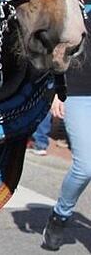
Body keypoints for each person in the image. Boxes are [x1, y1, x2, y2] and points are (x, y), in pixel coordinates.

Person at [41, 30, 91, 251]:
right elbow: (58, 47)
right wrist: (56, 90)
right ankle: (60, 215)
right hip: (79, 92)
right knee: (85, 167)